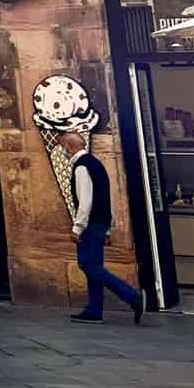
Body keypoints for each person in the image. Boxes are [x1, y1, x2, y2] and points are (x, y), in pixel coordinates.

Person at [63, 131, 144, 325]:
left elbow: (86, 201)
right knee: (94, 266)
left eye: (62, 146)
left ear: (69, 146)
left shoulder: (82, 167)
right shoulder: (96, 164)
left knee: (89, 265)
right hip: (100, 223)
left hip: (90, 224)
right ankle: (94, 310)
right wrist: (107, 229)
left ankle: (132, 296)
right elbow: (106, 198)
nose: (62, 150)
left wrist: (77, 228)